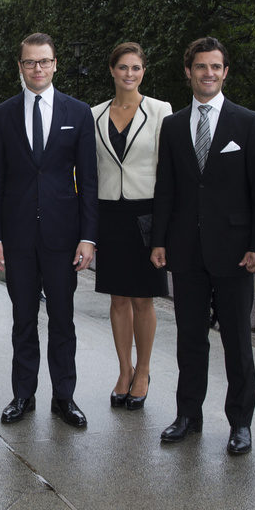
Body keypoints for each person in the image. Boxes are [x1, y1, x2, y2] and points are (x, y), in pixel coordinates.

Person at [150, 37, 255, 453]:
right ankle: (188, 415)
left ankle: (241, 423)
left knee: (237, 341)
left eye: (216, 66)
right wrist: (160, 240)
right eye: (201, 67)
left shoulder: (248, 123)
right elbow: (167, 188)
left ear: (225, 71)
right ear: (189, 71)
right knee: (189, 338)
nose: (209, 73)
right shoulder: (175, 125)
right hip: (186, 249)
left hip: (235, 252)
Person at [0, 32, 98, 428]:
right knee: (22, 319)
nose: (38, 68)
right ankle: (23, 394)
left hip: (63, 237)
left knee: (63, 320)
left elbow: (89, 179)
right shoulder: (3, 114)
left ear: (55, 64)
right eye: (30, 62)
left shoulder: (78, 113)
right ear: (20, 66)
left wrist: (88, 236)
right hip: (16, 237)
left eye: (44, 61)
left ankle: (64, 397)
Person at [91, 42, 171, 410]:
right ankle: (124, 370)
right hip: (109, 214)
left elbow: (167, 172)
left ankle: (143, 370)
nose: (129, 74)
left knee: (143, 298)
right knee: (118, 297)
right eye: (123, 67)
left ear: (143, 71)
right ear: (112, 70)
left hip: (146, 214)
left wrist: (164, 231)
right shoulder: (94, 115)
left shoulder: (160, 111)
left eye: (136, 68)